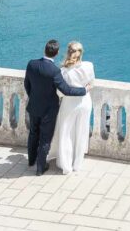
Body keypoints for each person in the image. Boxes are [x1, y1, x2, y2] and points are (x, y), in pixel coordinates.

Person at [24, 39, 90, 175]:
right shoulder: (55, 71)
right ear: (57, 52)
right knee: (45, 138)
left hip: (34, 106)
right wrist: (84, 90)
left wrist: (33, 98)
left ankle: (31, 161)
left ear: (44, 50)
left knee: (33, 133)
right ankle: (40, 168)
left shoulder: (31, 64)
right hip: (49, 110)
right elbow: (66, 90)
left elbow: (27, 84)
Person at [52, 41, 96, 174]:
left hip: (69, 104)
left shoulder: (63, 71)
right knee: (81, 132)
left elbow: (60, 92)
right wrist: (85, 88)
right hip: (85, 103)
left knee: (66, 133)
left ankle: (66, 165)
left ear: (68, 52)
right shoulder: (89, 66)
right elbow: (91, 84)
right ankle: (77, 164)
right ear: (81, 53)